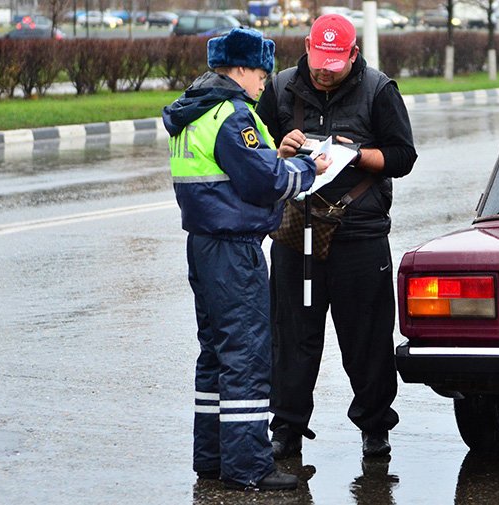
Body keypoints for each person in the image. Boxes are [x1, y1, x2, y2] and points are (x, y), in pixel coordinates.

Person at [162, 27, 330, 491]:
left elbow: (230, 174)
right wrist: (305, 169)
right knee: (246, 355)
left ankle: (212, 458)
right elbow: (266, 182)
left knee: (215, 354)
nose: (264, 82)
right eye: (260, 72)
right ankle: (249, 466)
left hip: (202, 244)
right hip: (235, 249)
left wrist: (275, 160)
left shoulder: (193, 110)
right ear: (239, 69)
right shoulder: (233, 115)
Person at [255, 13, 417, 460]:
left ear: (353, 55)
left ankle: (374, 427)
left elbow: (404, 156)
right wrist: (280, 150)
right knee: (292, 336)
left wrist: (357, 156)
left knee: (365, 338)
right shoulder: (281, 86)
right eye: (318, 59)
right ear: (307, 46)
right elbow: (256, 152)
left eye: (335, 62)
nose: (324, 69)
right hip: (296, 231)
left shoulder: (378, 90)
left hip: (359, 235)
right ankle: (286, 427)